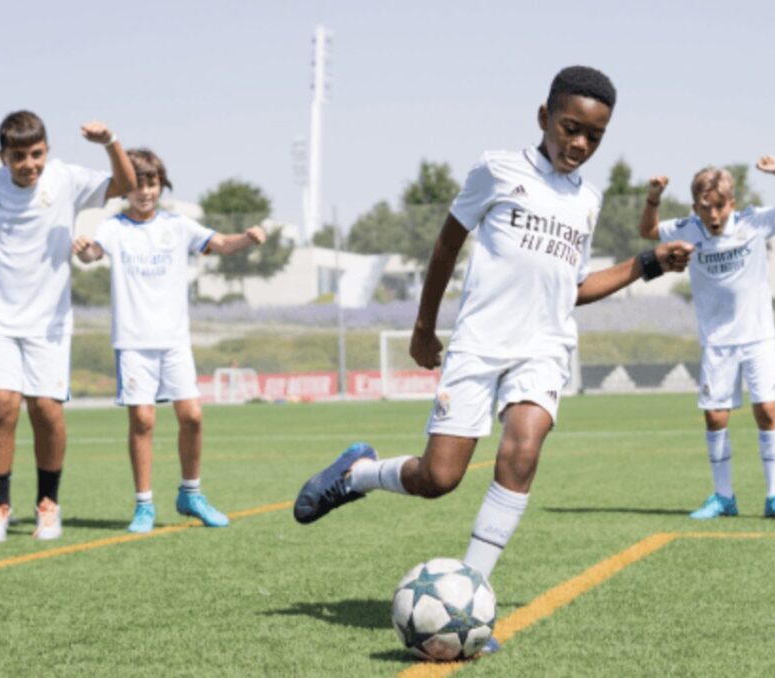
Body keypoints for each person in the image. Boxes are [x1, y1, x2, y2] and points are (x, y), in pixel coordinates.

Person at [292, 66, 693, 656]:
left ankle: (469, 597)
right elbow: (446, 246)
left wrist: (649, 263)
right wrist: (424, 327)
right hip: (479, 343)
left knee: (524, 446)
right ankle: (357, 474)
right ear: (543, 118)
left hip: (544, 347)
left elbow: (573, 287)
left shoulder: (588, 199)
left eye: (594, 137)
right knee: (439, 479)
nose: (578, 144)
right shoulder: (498, 170)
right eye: (569, 128)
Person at [0, 111, 136, 542]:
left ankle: (48, 504)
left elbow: (126, 186)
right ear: (3, 156)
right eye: (19, 156)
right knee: (1, 404)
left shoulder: (65, 179)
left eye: (36, 154)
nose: (29, 164)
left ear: (47, 151)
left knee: (46, 410)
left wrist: (110, 141)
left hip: (50, 322)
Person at [73, 148, 266, 533]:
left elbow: (222, 243)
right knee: (143, 420)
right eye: (137, 184)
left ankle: (191, 494)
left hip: (175, 341)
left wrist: (247, 237)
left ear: (161, 185)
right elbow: (93, 254)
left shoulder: (178, 226)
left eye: (152, 183)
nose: (145, 191)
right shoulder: (114, 227)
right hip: (132, 342)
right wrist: (83, 249)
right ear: (125, 188)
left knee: (192, 416)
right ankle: (144, 504)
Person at [638, 156, 775, 522]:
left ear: (731, 204)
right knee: (715, 418)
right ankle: (723, 497)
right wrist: (654, 197)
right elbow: (648, 231)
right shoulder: (688, 229)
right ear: (695, 207)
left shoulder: (752, 222)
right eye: (706, 208)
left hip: (758, 336)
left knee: (766, 411)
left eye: (719, 207)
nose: (713, 215)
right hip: (717, 341)